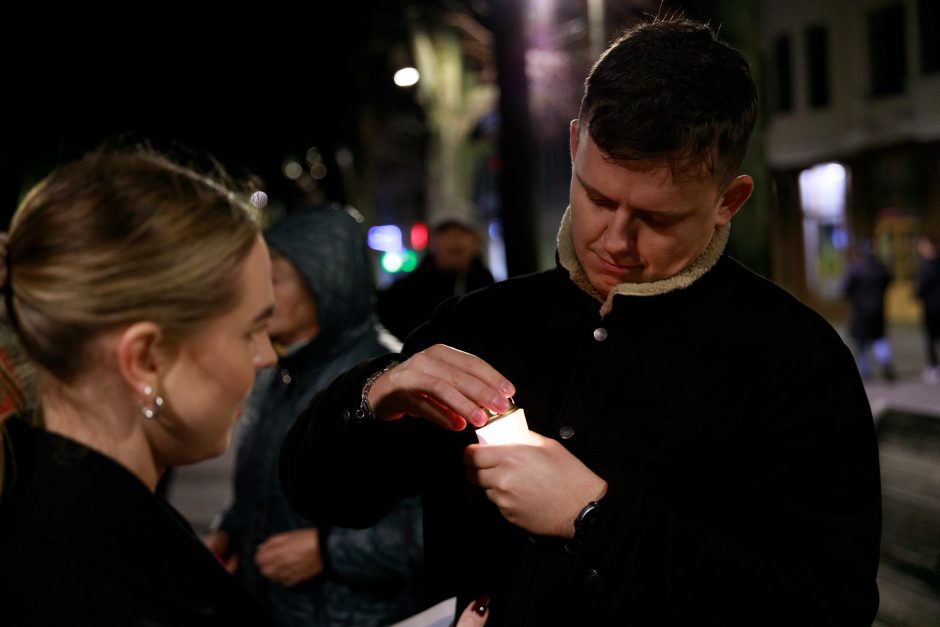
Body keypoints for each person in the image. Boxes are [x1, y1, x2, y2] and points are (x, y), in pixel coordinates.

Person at [280, 17, 882, 626]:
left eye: (659, 218)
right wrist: (373, 395)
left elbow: (827, 604)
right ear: (574, 145)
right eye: (596, 197)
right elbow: (321, 494)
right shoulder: (482, 321)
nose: (615, 241)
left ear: (730, 200)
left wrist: (594, 516)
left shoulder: (794, 360)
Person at [0, 148, 278, 626]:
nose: (266, 355)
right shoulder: (107, 589)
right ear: (146, 359)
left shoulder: (42, 510)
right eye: (249, 331)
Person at [204, 203, 424, 627]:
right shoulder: (284, 366)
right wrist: (232, 530)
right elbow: (267, 475)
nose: (262, 294)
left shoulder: (386, 380)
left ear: (328, 283)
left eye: (277, 278)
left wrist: (327, 551)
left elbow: (432, 523)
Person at [376, 202, 495, 342]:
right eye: (446, 231)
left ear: (476, 239)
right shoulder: (401, 297)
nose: (455, 238)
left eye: (463, 231)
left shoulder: (493, 295)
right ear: (432, 240)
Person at [843, 239, 896, 381]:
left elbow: (846, 289)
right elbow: (889, 281)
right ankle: (885, 363)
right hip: (878, 310)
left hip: (860, 311)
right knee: (879, 339)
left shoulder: (855, 269)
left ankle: (865, 372)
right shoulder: (880, 268)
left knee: (861, 343)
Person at [915, 234, 940, 384]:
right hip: (934, 307)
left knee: (931, 339)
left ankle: (933, 368)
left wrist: (916, 293)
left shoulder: (926, 266)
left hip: (931, 309)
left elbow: (922, 287)